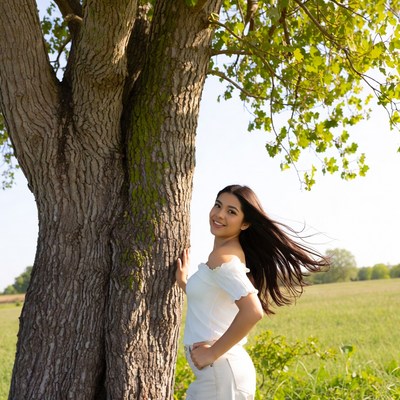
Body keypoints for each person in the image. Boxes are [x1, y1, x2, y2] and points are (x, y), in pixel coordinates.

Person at [176, 184, 329, 399]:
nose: (219, 214)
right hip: (219, 375)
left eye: (231, 211)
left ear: (245, 223)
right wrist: (185, 283)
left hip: (221, 375)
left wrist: (212, 353)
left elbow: (252, 311)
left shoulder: (223, 259)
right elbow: (212, 300)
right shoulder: (224, 257)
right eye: (218, 205)